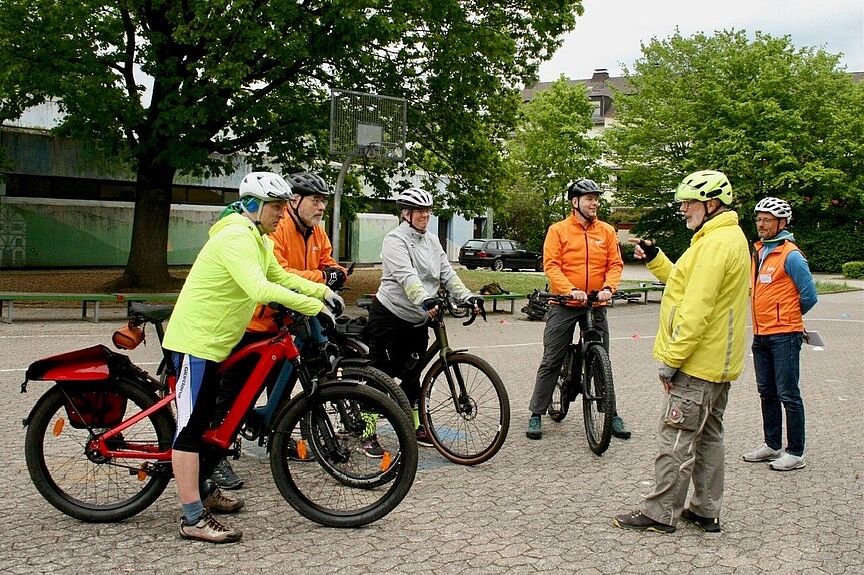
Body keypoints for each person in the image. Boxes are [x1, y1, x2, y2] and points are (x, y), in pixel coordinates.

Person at [162, 171, 344, 544]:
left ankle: (203, 486)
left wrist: (322, 293)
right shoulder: (235, 237)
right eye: (275, 206)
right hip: (195, 343)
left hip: (216, 343)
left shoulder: (257, 238)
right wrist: (314, 305)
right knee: (191, 428)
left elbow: (278, 275)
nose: (281, 213)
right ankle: (192, 518)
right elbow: (260, 287)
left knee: (213, 422)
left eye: (282, 206)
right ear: (253, 205)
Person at [614, 169, 749, 534]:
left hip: (697, 363)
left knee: (675, 437)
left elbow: (696, 309)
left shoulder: (714, 244)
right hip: (718, 364)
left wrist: (670, 362)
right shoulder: (724, 238)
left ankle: (660, 513)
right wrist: (657, 258)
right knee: (709, 437)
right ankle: (705, 510)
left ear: (711, 203)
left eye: (689, 202)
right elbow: (683, 284)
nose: (684, 209)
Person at [208, 171, 348, 489]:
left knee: (281, 388)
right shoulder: (274, 228)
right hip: (254, 322)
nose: (321, 207)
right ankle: (215, 455)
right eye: (316, 200)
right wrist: (322, 282)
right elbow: (276, 276)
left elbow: (330, 266)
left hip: (285, 321)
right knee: (233, 394)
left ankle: (276, 438)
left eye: (325, 200)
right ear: (295, 201)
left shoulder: (317, 233)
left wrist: (333, 276)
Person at [367, 187, 482, 446]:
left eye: (428, 211)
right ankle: (367, 432)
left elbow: (447, 274)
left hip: (417, 319)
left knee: (413, 374)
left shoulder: (431, 241)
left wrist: (468, 297)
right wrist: (425, 299)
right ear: (406, 213)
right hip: (390, 315)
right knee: (378, 374)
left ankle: (418, 426)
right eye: (419, 211)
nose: (425, 215)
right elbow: (407, 277)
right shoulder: (395, 240)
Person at [525, 178, 627, 440]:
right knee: (552, 358)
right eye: (589, 198)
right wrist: (569, 289)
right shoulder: (558, 230)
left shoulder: (606, 231)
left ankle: (610, 412)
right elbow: (552, 265)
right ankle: (537, 413)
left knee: (601, 358)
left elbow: (615, 264)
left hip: (595, 303)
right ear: (575, 202)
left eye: (596, 198)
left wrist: (609, 288)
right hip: (565, 303)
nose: (594, 202)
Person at [742, 197, 817, 471]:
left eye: (767, 220)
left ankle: (795, 452)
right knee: (766, 392)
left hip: (785, 334)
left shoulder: (791, 254)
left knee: (788, 393)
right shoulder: (758, 251)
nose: (761, 224)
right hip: (761, 334)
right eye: (759, 219)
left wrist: (788, 317)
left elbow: (809, 295)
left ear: (782, 223)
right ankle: (772, 445)